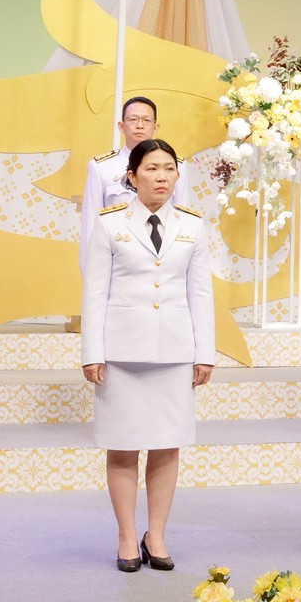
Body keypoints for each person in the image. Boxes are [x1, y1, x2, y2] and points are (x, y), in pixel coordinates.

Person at [80, 139, 214, 571]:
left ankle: (155, 534)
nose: (161, 177)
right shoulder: (109, 224)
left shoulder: (192, 225)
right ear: (132, 177)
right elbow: (95, 291)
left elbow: (200, 294)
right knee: (122, 447)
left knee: (167, 446)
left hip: (175, 351)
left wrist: (205, 352)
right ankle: (125, 535)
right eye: (152, 168)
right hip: (121, 353)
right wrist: (92, 352)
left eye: (169, 169)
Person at [80, 95, 192, 270]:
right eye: (133, 119)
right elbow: (91, 224)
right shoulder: (101, 167)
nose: (140, 125)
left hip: (162, 257)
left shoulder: (177, 166)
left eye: (146, 120)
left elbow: (182, 218)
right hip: (118, 256)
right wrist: (90, 272)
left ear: (155, 127)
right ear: (121, 126)